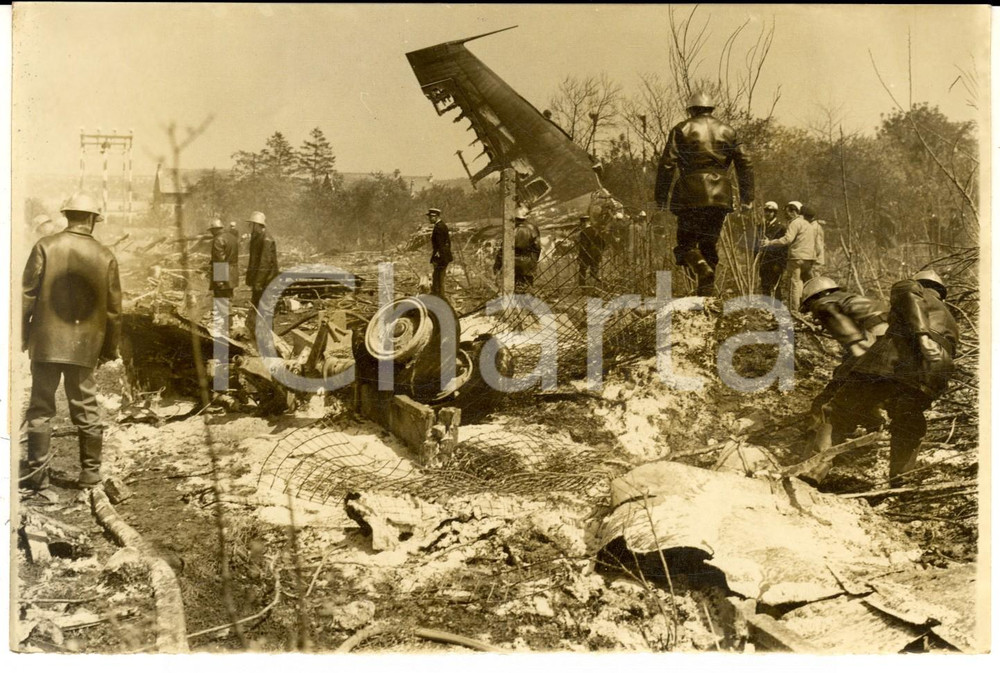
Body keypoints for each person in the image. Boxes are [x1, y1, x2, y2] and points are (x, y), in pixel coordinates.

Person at [817, 270, 959, 487]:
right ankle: (901, 479)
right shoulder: (951, 320)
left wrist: (922, 336)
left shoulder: (914, 288)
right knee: (909, 420)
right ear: (942, 293)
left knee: (838, 411)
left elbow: (908, 293)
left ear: (922, 283)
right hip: (932, 375)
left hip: (895, 362)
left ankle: (814, 467)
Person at [21, 193, 121, 496]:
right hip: (85, 346)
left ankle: (38, 476)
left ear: (68, 215)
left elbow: (26, 296)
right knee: (87, 410)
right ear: (92, 219)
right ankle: (90, 476)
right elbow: (114, 311)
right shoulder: (106, 256)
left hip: (46, 345)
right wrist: (108, 349)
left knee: (40, 409)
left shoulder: (45, 246)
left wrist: (23, 338)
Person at [654, 91, 754, 296]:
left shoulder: (682, 128)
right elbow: (745, 163)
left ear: (691, 109)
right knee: (709, 243)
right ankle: (706, 293)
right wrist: (747, 197)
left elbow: (667, 164)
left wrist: (661, 197)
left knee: (686, 245)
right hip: (720, 196)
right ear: (711, 109)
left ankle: (701, 270)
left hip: (691, 193)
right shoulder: (729, 131)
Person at [798, 276, 890, 466]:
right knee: (857, 395)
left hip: (873, 356)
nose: (815, 314)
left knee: (825, 404)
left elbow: (859, 346)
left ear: (820, 295)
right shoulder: (856, 301)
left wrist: (854, 346)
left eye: (811, 306)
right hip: (897, 358)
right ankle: (873, 426)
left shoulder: (825, 302)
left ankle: (813, 463)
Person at [760, 203, 825, 310]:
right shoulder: (809, 224)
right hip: (809, 259)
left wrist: (770, 242)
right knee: (806, 284)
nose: (786, 215)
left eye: (787, 213)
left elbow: (787, 239)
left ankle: (794, 310)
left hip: (796, 258)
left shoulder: (795, 223)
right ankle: (809, 307)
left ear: (794, 212)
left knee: (794, 285)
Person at [245, 211, 279, 341]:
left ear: (257, 225)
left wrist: (258, 282)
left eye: (252, 225)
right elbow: (254, 261)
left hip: (266, 281)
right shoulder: (258, 237)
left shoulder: (266, 239)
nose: (250, 228)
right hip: (261, 281)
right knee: (258, 308)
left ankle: (268, 339)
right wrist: (251, 279)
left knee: (264, 310)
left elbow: (265, 263)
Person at [495, 213, 542, 292]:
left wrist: (498, 264)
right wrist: (534, 261)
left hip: (513, 262)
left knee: (512, 290)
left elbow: (504, 249)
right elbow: (538, 247)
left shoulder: (512, 229)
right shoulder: (533, 228)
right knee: (526, 288)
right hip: (528, 262)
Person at [756, 201, 786, 298]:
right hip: (763, 261)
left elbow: (784, 247)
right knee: (764, 284)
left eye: (770, 211)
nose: (767, 214)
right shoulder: (761, 226)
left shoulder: (781, 228)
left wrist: (780, 264)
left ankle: (777, 307)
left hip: (775, 261)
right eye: (766, 211)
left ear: (775, 213)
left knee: (775, 285)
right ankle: (766, 307)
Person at [427, 208, 452, 299]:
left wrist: (438, 258)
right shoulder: (442, 225)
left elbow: (440, 245)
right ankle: (439, 297)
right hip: (443, 256)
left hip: (441, 257)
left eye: (430, 217)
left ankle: (440, 298)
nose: (429, 219)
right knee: (438, 278)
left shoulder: (439, 228)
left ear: (435, 217)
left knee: (438, 279)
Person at [577, 215, 605, 287]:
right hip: (596, 254)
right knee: (594, 271)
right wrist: (599, 251)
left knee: (582, 270)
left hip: (587, 255)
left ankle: (582, 287)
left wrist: (580, 256)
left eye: (581, 223)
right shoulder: (595, 230)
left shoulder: (583, 232)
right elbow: (603, 242)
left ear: (583, 223)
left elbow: (583, 247)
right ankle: (599, 285)